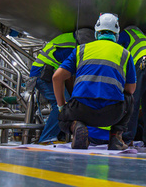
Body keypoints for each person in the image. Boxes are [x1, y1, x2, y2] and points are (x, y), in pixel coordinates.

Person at [53, 14, 136, 150]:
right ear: (117, 34)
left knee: (63, 117)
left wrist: (62, 107)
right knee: (130, 99)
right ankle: (116, 137)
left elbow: (57, 77)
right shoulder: (125, 54)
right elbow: (131, 90)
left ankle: (76, 126)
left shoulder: (81, 50)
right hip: (112, 114)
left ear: (96, 32)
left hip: (81, 110)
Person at [29, 29, 94, 143]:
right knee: (60, 104)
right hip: (43, 75)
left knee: (66, 103)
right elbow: (66, 76)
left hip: (47, 74)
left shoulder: (71, 39)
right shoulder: (71, 49)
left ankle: (61, 135)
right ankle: (47, 137)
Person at [118, 26, 146, 147]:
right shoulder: (142, 37)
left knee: (133, 101)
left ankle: (127, 139)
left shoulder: (126, 33)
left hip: (144, 61)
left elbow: (114, 47)